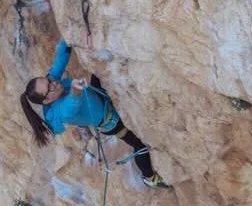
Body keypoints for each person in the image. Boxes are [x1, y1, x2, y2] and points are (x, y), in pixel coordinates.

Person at [19, 40, 169, 188]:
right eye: (49, 88)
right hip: (111, 122)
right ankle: (149, 177)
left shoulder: (52, 84)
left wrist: (67, 39)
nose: (54, 83)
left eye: (49, 80)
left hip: (100, 96)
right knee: (139, 145)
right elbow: (71, 105)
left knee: (99, 64)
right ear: (47, 100)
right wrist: (75, 90)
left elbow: (60, 60)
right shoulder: (59, 113)